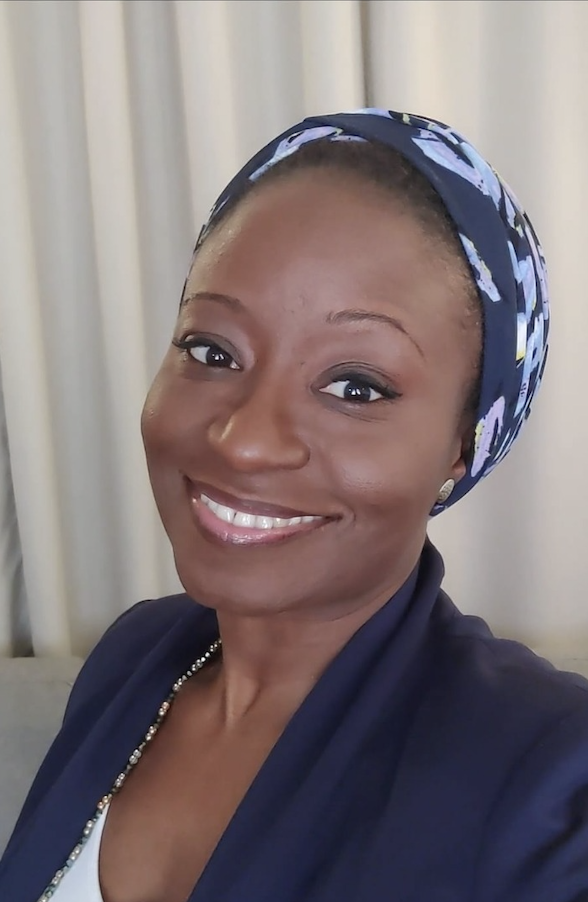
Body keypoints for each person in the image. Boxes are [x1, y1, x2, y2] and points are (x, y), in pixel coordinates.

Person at [0, 109, 586, 902]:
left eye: (356, 387)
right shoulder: (134, 658)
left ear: (462, 442)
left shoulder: (548, 778)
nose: (244, 441)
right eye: (212, 350)